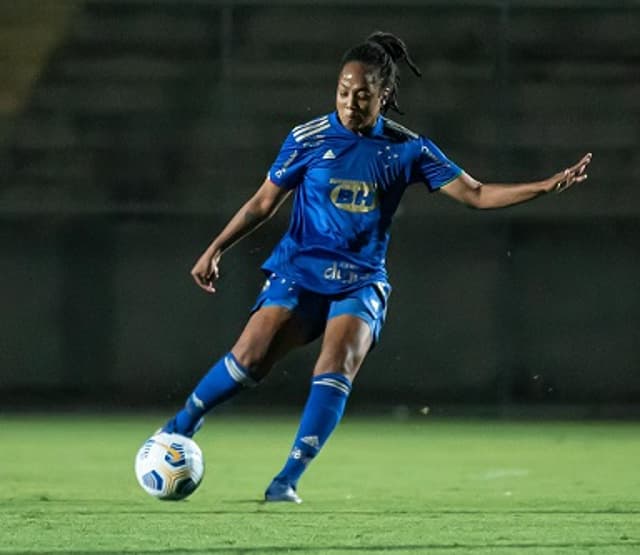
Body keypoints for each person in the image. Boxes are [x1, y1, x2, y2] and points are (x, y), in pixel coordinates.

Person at [159, 31, 592, 503]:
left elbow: (477, 194)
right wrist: (215, 248)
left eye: (362, 94)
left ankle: (286, 480)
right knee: (250, 357)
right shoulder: (308, 138)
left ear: (384, 95)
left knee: (336, 364)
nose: (349, 102)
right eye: (343, 91)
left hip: (360, 282)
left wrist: (544, 187)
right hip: (299, 270)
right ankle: (179, 427)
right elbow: (263, 202)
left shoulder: (409, 149)